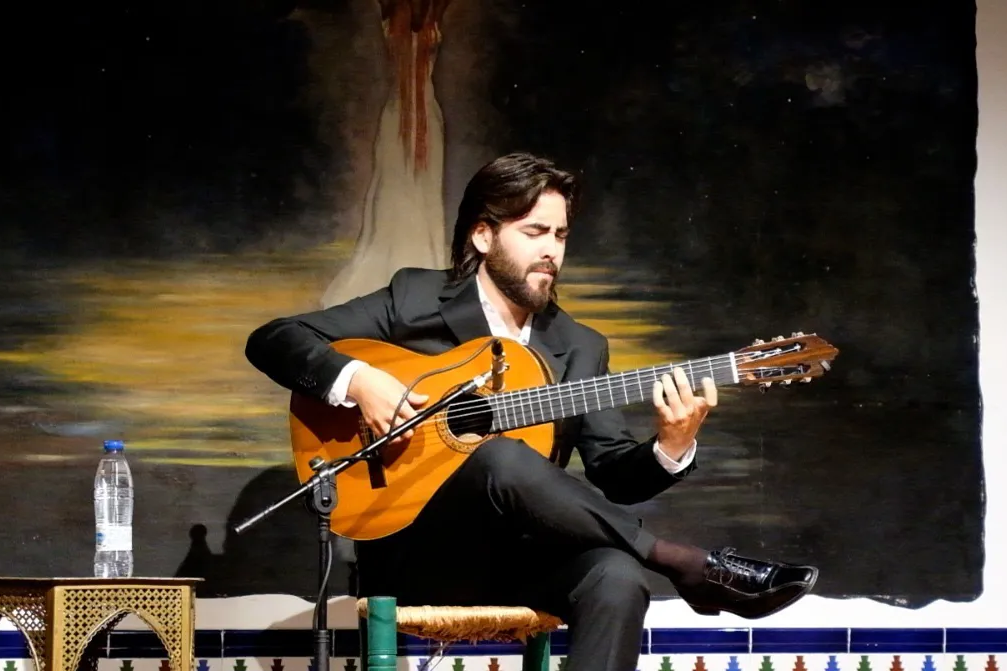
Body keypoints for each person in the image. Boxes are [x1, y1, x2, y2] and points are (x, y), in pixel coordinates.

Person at [244, 152, 820, 671]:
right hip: (414, 551)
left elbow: (614, 473)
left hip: (521, 558)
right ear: (484, 236)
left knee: (617, 578)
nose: (551, 250)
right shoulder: (415, 299)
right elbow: (274, 339)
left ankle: (673, 566)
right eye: (534, 232)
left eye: (562, 235)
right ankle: (686, 563)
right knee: (500, 458)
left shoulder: (580, 344)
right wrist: (361, 380)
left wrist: (670, 446)